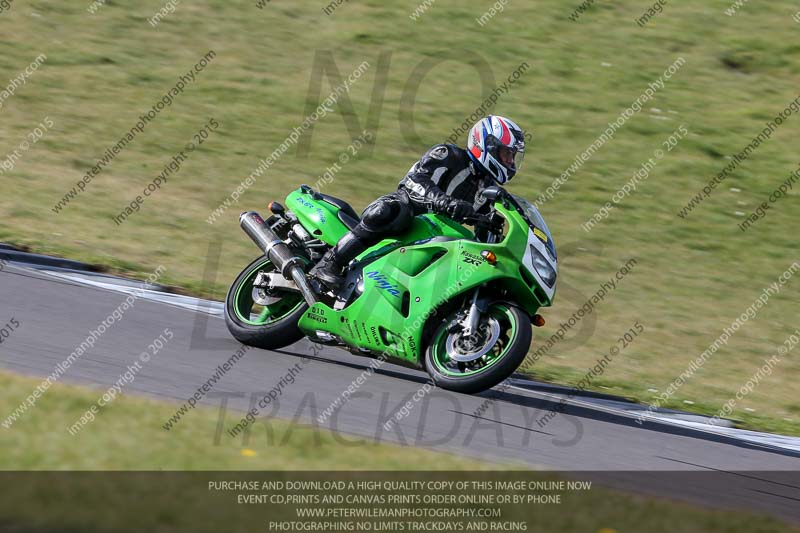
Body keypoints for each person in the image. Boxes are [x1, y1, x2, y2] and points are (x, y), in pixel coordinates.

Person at [309, 115, 526, 290]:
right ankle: (331, 262)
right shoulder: (447, 154)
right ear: (486, 144)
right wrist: (445, 202)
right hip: (409, 210)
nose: (509, 161)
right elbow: (414, 181)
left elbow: (484, 231)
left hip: (436, 236)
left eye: (512, 156)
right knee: (390, 211)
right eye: (506, 154)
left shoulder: (489, 191)